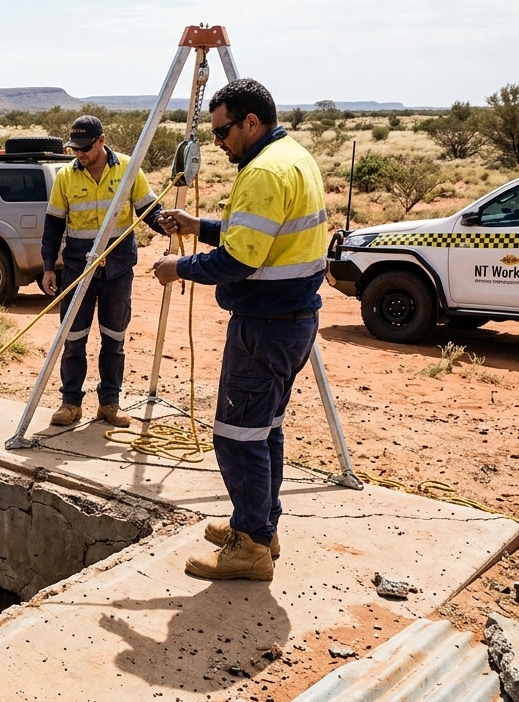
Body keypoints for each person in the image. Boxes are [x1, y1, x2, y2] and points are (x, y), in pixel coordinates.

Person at [151, 78, 328, 582]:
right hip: (291, 322)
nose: (218, 142)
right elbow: (257, 233)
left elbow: (239, 259)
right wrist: (196, 224)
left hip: (264, 326)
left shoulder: (264, 172)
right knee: (264, 430)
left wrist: (178, 268)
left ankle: (249, 547)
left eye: (224, 130)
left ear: (252, 122)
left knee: (235, 437)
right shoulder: (293, 157)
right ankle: (260, 527)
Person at [41, 115, 167, 428]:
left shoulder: (128, 168)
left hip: (118, 271)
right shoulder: (65, 178)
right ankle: (70, 403)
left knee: (114, 338)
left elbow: (149, 211)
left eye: (84, 148)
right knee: (73, 339)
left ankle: (109, 404)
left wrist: (169, 225)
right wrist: (48, 267)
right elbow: (53, 225)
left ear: (101, 141)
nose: (79, 154)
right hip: (78, 270)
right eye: (74, 149)